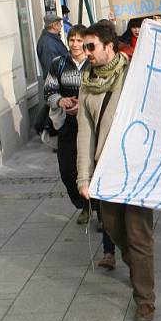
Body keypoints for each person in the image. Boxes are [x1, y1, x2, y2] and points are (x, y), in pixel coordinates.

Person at [76, 21, 156, 321]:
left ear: (111, 46)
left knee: (139, 235)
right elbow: (85, 135)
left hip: (135, 169)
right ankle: (137, 266)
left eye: (92, 46)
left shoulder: (134, 75)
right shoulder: (87, 83)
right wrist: (84, 178)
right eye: (84, 46)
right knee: (112, 228)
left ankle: (145, 299)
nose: (87, 52)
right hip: (105, 172)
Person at [45, 25, 116, 268]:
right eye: (73, 40)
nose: (77, 45)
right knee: (68, 170)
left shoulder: (95, 64)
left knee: (97, 177)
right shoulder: (59, 64)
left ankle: (101, 222)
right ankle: (83, 203)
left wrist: (84, 105)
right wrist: (62, 100)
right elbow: (50, 90)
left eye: (81, 41)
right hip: (67, 125)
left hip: (95, 128)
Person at [36, 14, 68, 78]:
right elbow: (51, 68)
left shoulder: (52, 39)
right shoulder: (47, 43)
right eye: (59, 24)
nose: (61, 26)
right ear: (54, 25)